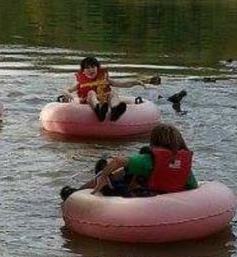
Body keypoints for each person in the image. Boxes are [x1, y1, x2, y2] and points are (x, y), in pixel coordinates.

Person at [60, 123, 198, 200]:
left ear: (155, 141)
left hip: (139, 198)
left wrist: (103, 176)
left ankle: (79, 190)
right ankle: (103, 175)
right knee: (129, 170)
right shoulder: (183, 164)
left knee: (108, 170)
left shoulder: (149, 159)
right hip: (164, 200)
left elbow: (118, 161)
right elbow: (193, 186)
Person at [60, 55, 128, 123]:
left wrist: (135, 82)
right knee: (91, 92)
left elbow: (121, 84)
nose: (90, 70)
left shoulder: (104, 79)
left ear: (97, 68)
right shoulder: (80, 83)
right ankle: (98, 109)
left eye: (93, 67)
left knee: (112, 93)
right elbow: (65, 90)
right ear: (83, 71)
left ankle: (115, 110)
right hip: (90, 101)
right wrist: (70, 96)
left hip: (103, 101)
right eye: (87, 68)